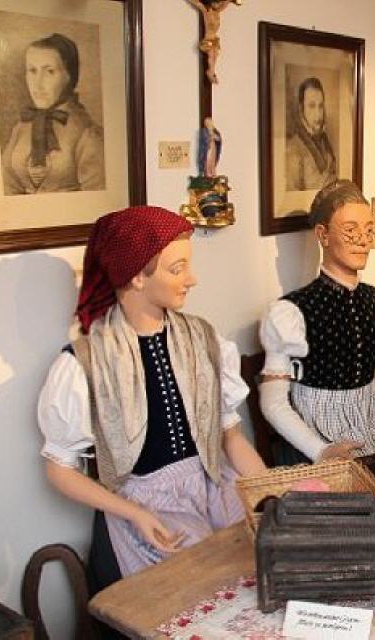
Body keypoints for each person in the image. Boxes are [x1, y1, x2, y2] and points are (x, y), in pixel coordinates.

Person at [37, 206, 266, 584]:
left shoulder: (203, 338)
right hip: (145, 505)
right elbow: (59, 470)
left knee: (266, 560)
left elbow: (231, 437)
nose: (192, 279)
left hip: (213, 485)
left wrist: (267, 491)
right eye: (177, 269)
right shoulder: (86, 362)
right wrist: (133, 513)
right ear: (137, 277)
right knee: (209, 586)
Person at [259, 180, 375, 461]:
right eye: (351, 230)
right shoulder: (291, 312)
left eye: (368, 230)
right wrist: (320, 450)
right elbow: (273, 403)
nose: (363, 240)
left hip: (373, 419)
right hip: (320, 434)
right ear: (323, 235)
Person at [2, 33, 104, 195]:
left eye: (49, 71)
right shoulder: (20, 129)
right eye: (32, 71)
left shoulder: (88, 134)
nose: (37, 83)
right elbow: (7, 184)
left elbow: (95, 198)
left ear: (69, 76)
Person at [286, 77, 338, 191]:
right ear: (301, 109)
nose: (318, 114)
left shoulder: (325, 142)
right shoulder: (293, 149)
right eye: (311, 106)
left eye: (320, 106)